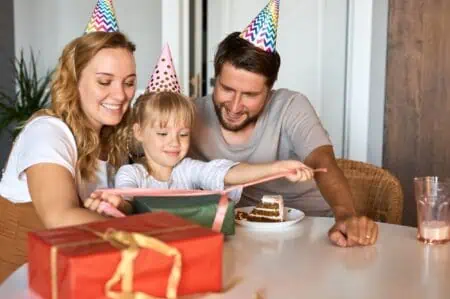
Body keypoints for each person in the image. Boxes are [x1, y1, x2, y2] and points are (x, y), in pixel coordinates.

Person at [189, 1, 378, 248]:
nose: (234, 106)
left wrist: (345, 215)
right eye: (226, 89)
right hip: (239, 236)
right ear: (215, 80)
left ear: (269, 91)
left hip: (311, 230)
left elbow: (323, 162)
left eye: (249, 95)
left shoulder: (291, 106)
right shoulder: (189, 115)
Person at [84, 45, 315, 215]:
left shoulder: (186, 171)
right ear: (139, 132)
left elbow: (225, 174)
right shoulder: (131, 175)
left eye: (183, 134)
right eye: (163, 134)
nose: (174, 143)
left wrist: (278, 168)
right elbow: (127, 202)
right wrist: (115, 203)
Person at [0, 31, 136, 281]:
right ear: (75, 81)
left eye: (128, 82)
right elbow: (60, 217)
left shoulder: (111, 140)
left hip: (71, 279)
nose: (120, 95)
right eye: (105, 82)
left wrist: (119, 207)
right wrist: (145, 234)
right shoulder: (47, 131)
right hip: (18, 285)